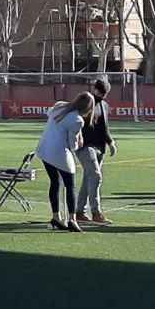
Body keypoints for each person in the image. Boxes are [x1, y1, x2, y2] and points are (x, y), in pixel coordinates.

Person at [35, 93, 94, 232]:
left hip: (44, 149)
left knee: (54, 182)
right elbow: (73, 146)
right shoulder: (78, 120)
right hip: (59, 152)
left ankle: (56, 217)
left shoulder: (59, 105)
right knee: (70, 186)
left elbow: (50, 115)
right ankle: (72, 220)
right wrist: (80, 140)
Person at [75, 78, 117, 225]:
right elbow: (76, 121)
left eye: (104, 93)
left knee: (88, 179)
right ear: (95, 89)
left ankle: (79, 211)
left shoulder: (104, 105)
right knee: (96, 176)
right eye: (100, 91)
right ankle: (96, 212)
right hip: (85, 146)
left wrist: (110, 142)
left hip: (100, 148)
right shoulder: (86, 103)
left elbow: (104, 128)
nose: (102, 95)